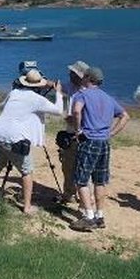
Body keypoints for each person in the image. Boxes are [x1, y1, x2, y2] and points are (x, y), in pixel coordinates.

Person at [0, 69, 63, 214]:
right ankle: (27, 207)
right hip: (15, 139)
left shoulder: (14, 93)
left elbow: (1, 107)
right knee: (27, 172)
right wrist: (58, 92)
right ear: (39, 85)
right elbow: (58, 110)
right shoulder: (36, 99)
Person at [69, 67, 130, 231]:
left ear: (87, 78)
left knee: (81, 179)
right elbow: (125, 116)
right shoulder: (108, 98)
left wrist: (78, 130)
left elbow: (76, 111)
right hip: (104, 142)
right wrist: (111, 133)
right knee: (100, 179)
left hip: (89, 140)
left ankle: (88, 216)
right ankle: (100, 215)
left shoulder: (82, 94)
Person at [57, 60, 90, 204]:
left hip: (82, 134)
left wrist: (76, 122)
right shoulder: (70, 86)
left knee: (82, 168)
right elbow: (56, 86)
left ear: (80, 76)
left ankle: (84, 200)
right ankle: (69, 193)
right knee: (67, 166)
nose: (69, 75)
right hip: (70, 133)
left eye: (72, 73)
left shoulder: (88, 93)